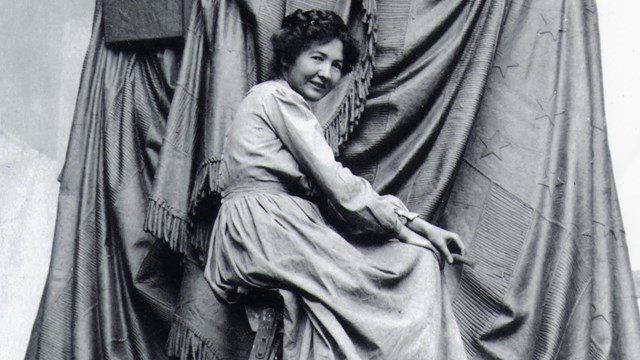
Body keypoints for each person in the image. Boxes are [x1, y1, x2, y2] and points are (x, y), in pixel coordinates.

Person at [204, 9, 468, 360]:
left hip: (256, 231)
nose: (326, 73)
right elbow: (338, 186)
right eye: (317, 58)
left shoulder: (266, 98)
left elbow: (331, 195)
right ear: (289, 56)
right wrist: (410, 227)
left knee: (396, 261)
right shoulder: (279, 98)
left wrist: (409, 223)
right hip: (267, 232)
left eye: (337, 66)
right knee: (413, 261)